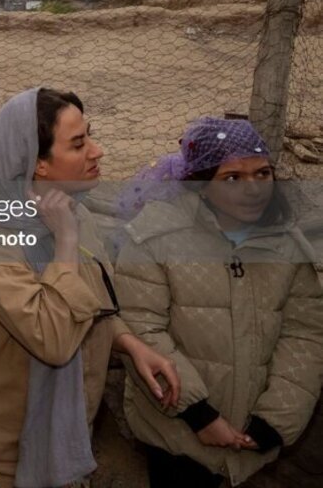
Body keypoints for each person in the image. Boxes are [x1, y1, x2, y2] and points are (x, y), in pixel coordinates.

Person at [0, 87, 179, 488]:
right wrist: (64, 243)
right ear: (37, 164)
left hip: (44, 438)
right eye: (79, 143)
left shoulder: (72, 213)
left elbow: (87, 307)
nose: (97, 151)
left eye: (90, 136)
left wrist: (130, 344)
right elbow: (55, 337)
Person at [114, 117, 323, 487]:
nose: (254, 189)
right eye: (232, 178)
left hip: (256, 435)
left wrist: (276, 420)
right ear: (199, 185)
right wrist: (199, 415)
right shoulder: (155, 240)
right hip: (178, 434)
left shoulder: (286, 246)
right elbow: (142, 327)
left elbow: (305, 333)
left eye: (262, 174)